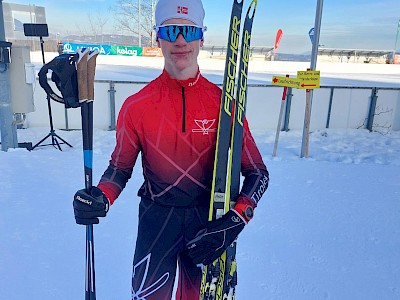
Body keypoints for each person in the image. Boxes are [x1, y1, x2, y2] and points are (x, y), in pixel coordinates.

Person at [73, 0, 269, 299]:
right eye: (171, 30)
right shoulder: (136, 106)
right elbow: (119, 169)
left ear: (201, 38)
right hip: (156, 220)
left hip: (208, 223)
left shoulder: (225, 105)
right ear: (158, 37)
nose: (180, 41)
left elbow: (258, 173)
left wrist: (235, 220)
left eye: (189, 32)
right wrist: (101, 197)